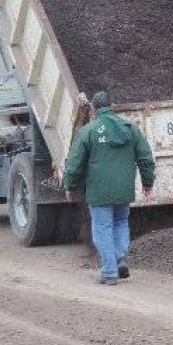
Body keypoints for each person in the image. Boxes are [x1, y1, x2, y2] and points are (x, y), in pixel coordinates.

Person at [62, 91, 155, 285]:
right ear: (112, 106)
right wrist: (148, 183)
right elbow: (146, 158)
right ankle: (120, 257)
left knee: (103, 228)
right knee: (121, 222)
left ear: (94, 109)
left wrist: (69, 185)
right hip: (124, 190)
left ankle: (109, 272)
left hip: (99, 191)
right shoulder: (130, 128)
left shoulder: (88, 131)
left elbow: (75, 163)